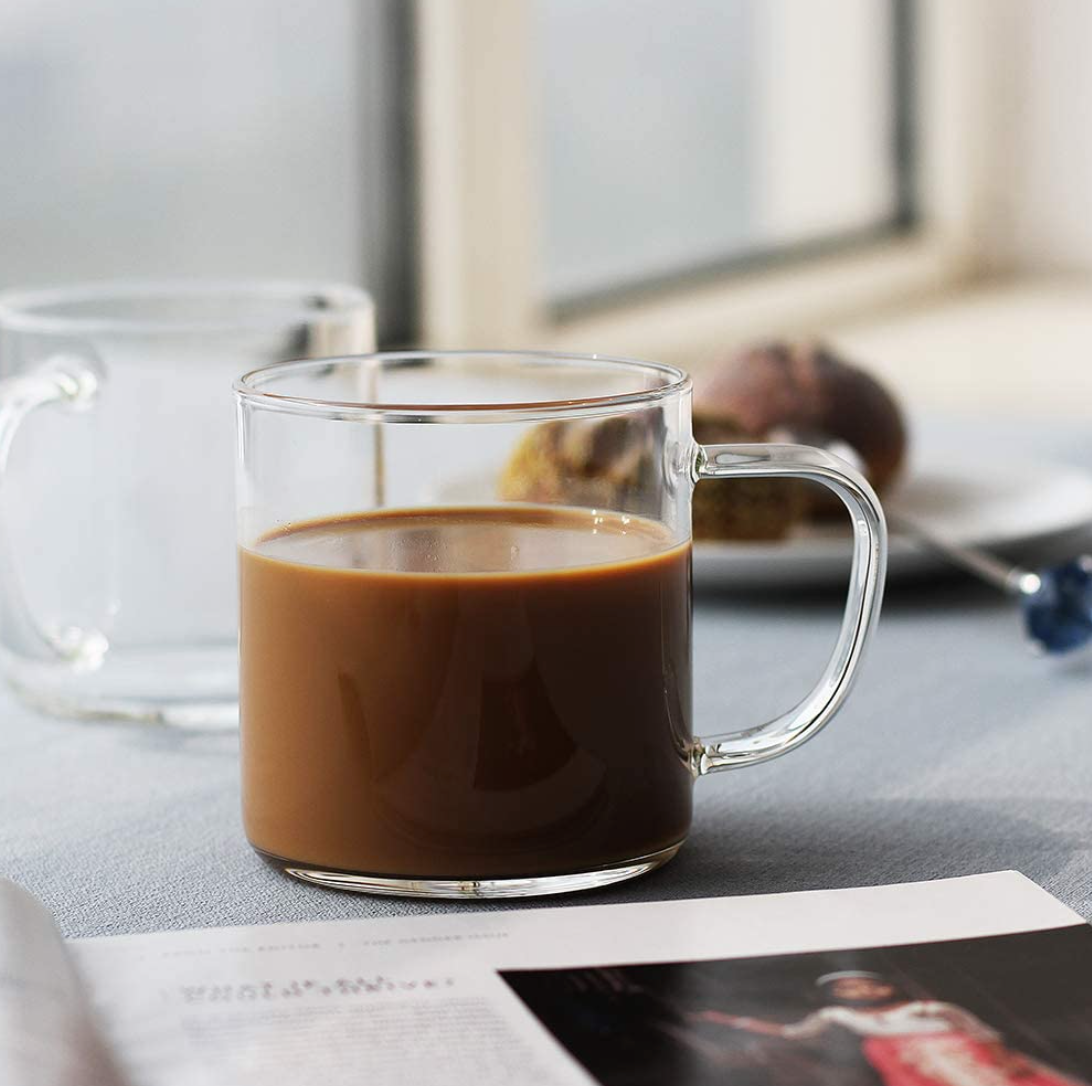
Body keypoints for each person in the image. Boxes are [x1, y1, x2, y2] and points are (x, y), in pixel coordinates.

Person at [694, 970, 1088, 1086]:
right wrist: (729, 1020)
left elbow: (982, 1032)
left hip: (964, 1053)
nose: (862, 991)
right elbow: (792, 1033)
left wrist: (1001, 1058)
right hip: (903, 1061)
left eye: (868, 984)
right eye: (849, 989)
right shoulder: (839, 1016)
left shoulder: (930, 1008)